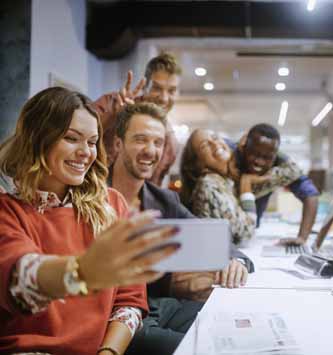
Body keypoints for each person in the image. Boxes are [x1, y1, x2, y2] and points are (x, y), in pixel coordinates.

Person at [0, 87, 180, 355]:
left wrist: (109, 352)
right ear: (37, 139)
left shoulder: (112, 204)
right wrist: (82, 272)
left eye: (92, 141)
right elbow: (22, 280)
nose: (86, 152)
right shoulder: (8, 210)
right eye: (72, 138)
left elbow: (129, 301)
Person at [110, 104, 253, 354]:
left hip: (158, 305)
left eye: (157, 142)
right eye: (140, 140)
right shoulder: (90, 195)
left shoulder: (164, 200)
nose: (150, 151)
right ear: (118, 144)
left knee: (234, 326)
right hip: (114, 315)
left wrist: (235, 262)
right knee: (204, 349)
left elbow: (220, 244)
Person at [94, 52, 180, 186]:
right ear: (145, 87)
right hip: (88, 192)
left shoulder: (170, 144)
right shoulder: (112, 104)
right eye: (157, 88)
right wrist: (111, 117)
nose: (164, 98)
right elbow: (76, 135)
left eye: (171, 91)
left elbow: (150, 189)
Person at [227, 123, 320, 246]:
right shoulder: (227, 154)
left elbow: (311, 194)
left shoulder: (281, 166)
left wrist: (302, 237)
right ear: (244, 146)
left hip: (248, 237)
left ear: (275, 156)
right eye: (254, 154)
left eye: (267, 157)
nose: (259, 162)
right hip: (222, 236)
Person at [180, 129, 272, 245]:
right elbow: (245, 234)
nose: (215, 144)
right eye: (204, 146)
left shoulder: (225, 181)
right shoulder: (209, 185)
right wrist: (246, 187)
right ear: (198, 164)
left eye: (215, 137)